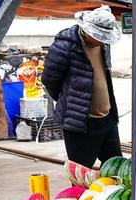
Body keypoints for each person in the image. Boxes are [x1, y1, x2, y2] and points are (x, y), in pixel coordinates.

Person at [42, 6, 122, 168]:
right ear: (87, 31)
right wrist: (72, 102)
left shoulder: (104, 46)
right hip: (80, 124)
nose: (103, 40)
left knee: (117, 170)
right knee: (80, 175)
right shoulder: (64, 47)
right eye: (100, 37)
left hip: (107, 120)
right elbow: (49, 81)